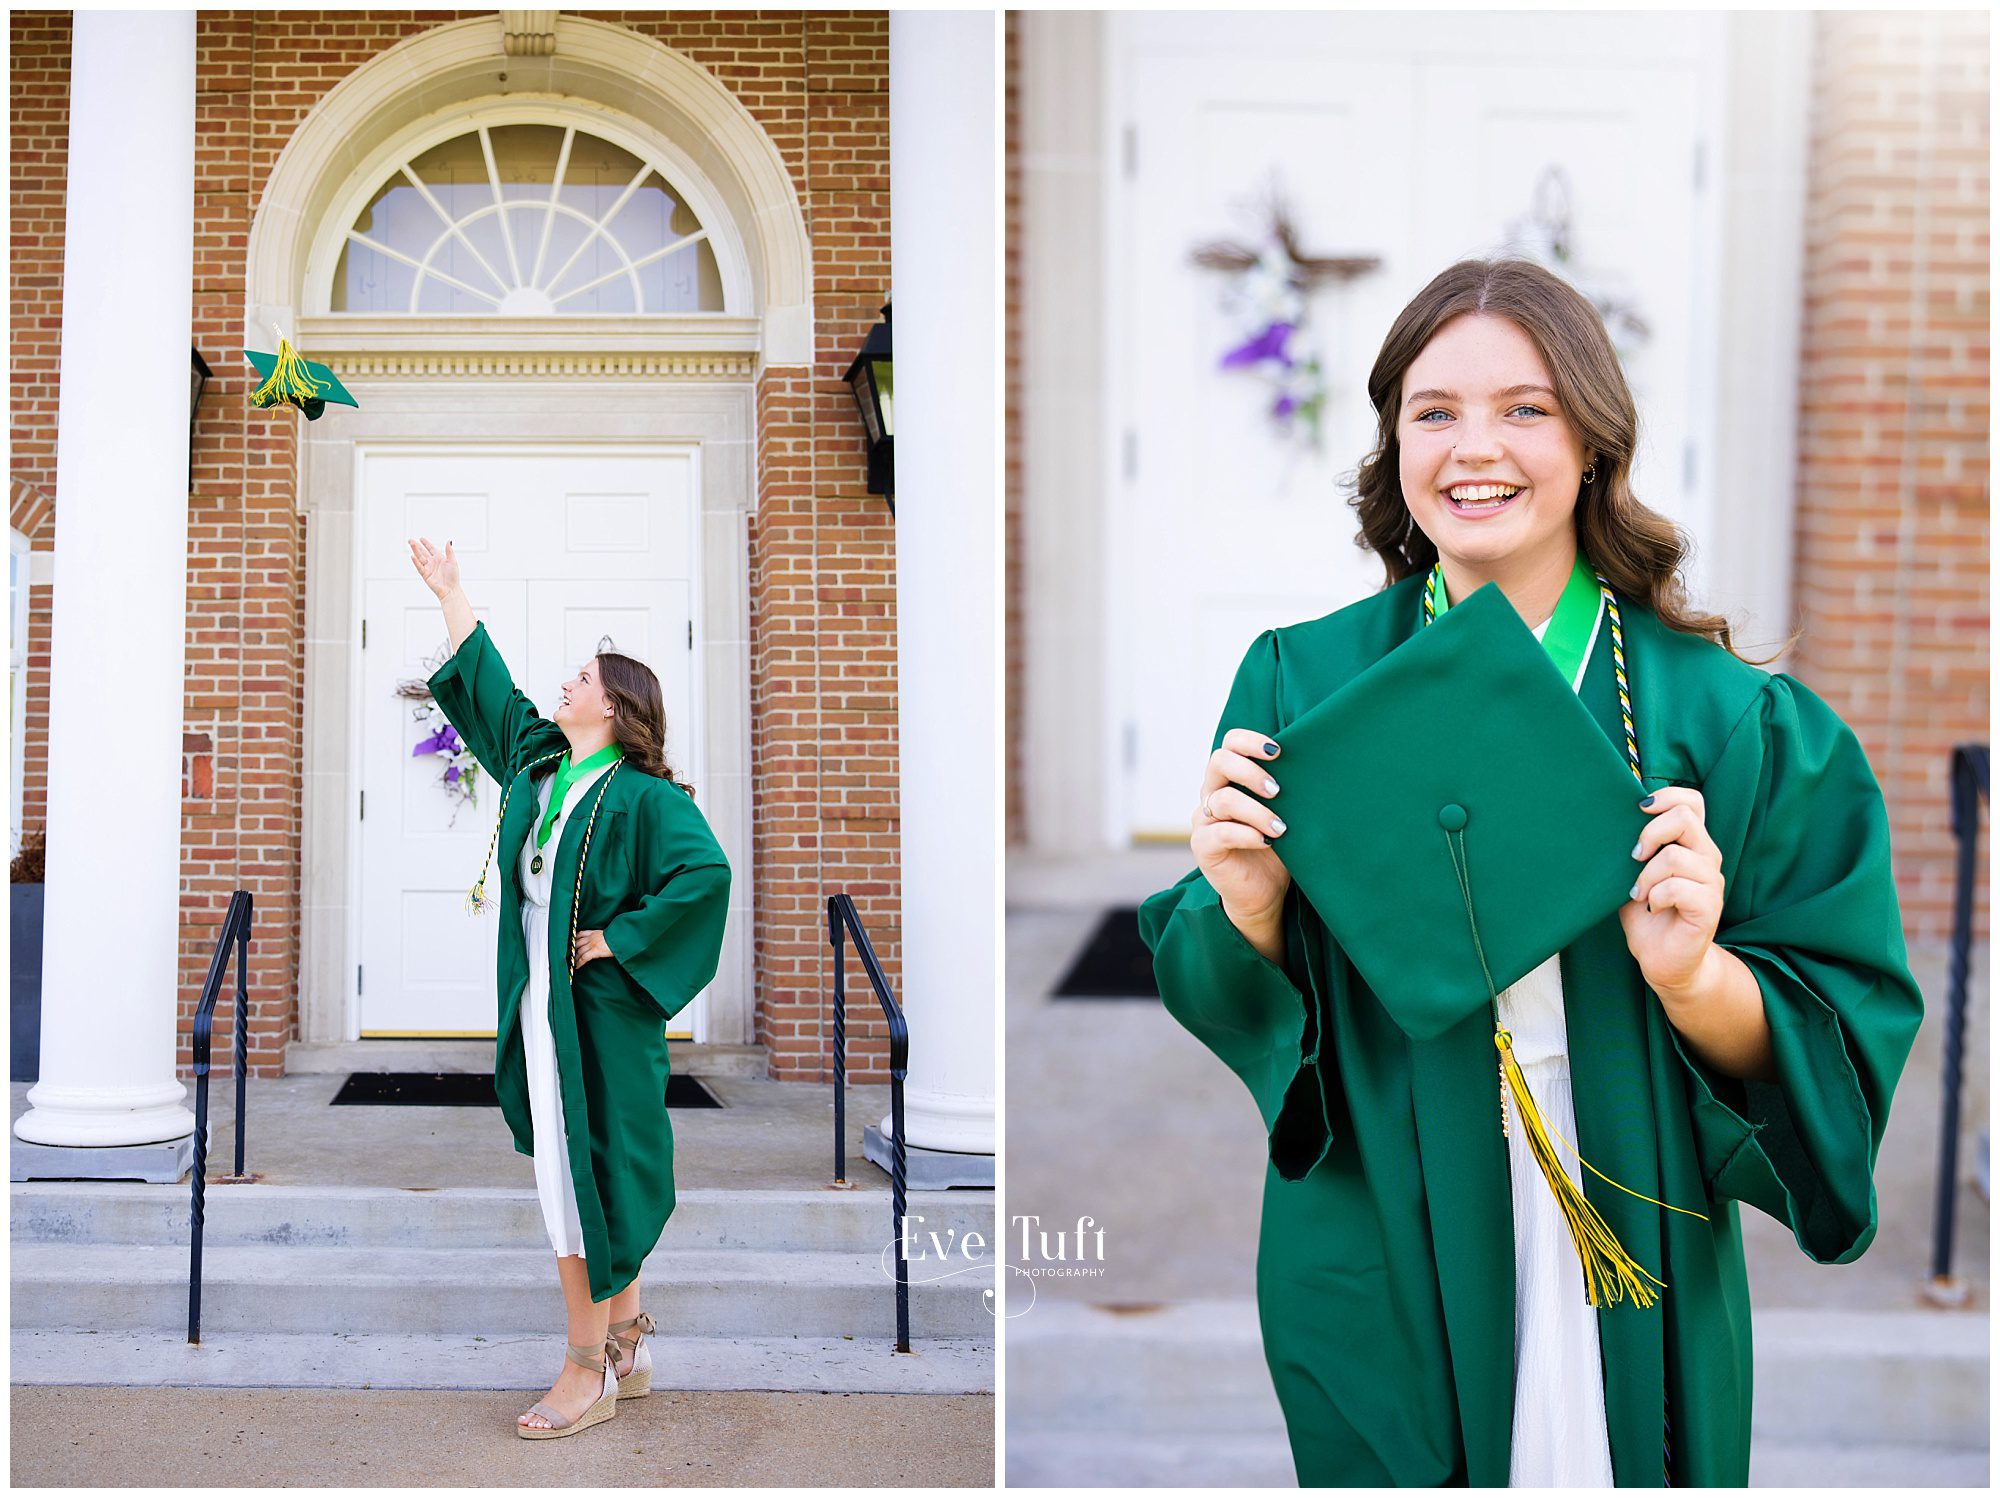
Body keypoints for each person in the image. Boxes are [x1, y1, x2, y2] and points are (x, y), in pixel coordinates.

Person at [1139, 259, 1924, 1487]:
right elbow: (1211, 973)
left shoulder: (1724, 721)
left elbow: (1837, 1016)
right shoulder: (1304, 685)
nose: (1472, 448)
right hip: (1387, 1222)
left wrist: (1693, 975)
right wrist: (1244, 904)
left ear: (1593, 438)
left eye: (1523, 407)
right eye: (1432, 410)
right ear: (1392, 439)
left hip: (1627, 1203)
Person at [409, 536, 732, 1439]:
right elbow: (491, 689)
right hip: (540, 1013)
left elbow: (704, 877)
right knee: (571, 1169)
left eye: (584, 676)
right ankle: (627, 1337)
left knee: (586, 1175)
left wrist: (618, 941)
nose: (568, 682)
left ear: (618, 705)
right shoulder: (541, 765)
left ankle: (585, 1366)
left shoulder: (645, 798)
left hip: (597, 1020)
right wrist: (452, 592)